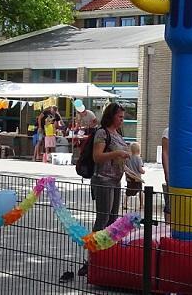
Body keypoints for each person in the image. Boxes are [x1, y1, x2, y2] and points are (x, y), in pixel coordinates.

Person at [79, 102, 130, 277]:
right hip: (103, 180)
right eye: (120, 117)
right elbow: (97, 156)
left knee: (113, 219)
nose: (122, 120)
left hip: (116, 181)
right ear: (111, 116)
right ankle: (91, 257)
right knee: (103, 218)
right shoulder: (102, 133)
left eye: (123, 117)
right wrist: (117, 154)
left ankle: (107, 255)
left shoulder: (118, 133)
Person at [124, 142, 145, 210]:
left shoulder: (128, 158)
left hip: (129, 178)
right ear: (139, 150)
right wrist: (143, 171)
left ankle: (125, 203)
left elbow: (126, 168)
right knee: (140, 191)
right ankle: (141, 205)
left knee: (128, 191)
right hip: (137, 178)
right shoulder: (138, 158)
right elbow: (140, 169)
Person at [162, 126, 170, 221]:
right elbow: (165, 153)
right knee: (169, 203)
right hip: (172, 173)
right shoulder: (167, 131)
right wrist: (167, 173)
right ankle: (168, 227)